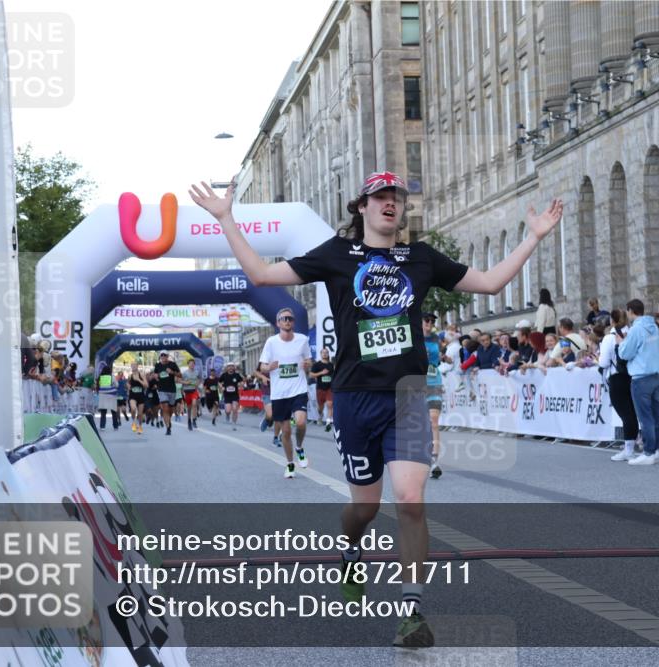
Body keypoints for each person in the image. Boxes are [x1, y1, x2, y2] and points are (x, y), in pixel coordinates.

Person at [190, 171, 562, 648]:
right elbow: (262, 275)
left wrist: (533, 237)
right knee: (363, 509)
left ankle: (411, 613)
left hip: (406, 394)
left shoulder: (420, 258)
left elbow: (489, 283)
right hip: (354, 396)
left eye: (397, 198)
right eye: (380, 196)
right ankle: (350, 549)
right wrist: (226, 219)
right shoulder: (337, 254)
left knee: (409, 499)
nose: (390, 203)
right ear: (361, 206)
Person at [617, 299, 659, 465]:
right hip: (654, 374)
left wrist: (621, 343)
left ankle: (649, 452)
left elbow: (625, 354)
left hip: (640, 377)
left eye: (627, 312)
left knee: (645, 417)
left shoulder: (636, 329)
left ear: (631, 311)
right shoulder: (653, 325)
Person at [260, 308, 312, 477]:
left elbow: (309, 360)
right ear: (278, 323)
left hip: (298, 389)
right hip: (280, 393)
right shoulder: (271, 342)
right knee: (286, 431)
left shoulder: (302, 340)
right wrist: (269, 367)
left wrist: (307, 365)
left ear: (293, 322)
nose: (287, 321)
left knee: (301, 422)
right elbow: (262, 367)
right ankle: (290, 464)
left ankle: (300, 447)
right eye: (284, 318)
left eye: (290, 318)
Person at [598, 308, 638, 461]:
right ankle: (630, 447)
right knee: (631, 413)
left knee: (625, 414)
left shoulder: (610, 337)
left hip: (617, 377)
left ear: (612, 321)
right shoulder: (632, 333)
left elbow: (603, 362)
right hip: (632, 375)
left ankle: (629, 450)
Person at [422, 313, 447, 479]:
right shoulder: (413, 337)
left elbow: (437, 361)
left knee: (434, 421)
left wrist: (442, 358)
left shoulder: (436, 339)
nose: (430, 323)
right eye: (427, 320)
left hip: (434, 381)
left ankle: (434, 461)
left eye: (432, 321)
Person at [153, 351, 181, 435]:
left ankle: (169, 420)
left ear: (167, 356)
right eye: (161, 355)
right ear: (160, 357)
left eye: (164, 355)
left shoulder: (172, 364)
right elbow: (155, 375)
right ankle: (168, 428)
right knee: (165, 408)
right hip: (162, 390)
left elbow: (180, 375)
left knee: (170, 410)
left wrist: (172, 372)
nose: (163, 356)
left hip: (172, 390)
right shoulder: (157, 365)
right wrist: (156, 376)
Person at [310, 349, 335, 431]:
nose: (324, 354)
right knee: (320, 407)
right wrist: (321, 373)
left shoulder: (331, 365)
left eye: (326, 352)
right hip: (320, 388)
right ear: (320, 354)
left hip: (329, 388)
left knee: (330, 404)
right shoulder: (317, 365)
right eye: (323, 353)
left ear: (328, 354)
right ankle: (320, 416)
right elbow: (311, 375)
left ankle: (328, 423)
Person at [218, 362, 245, 430]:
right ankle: (227, 415)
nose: (230, 367)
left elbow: (242, 381)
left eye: (232, 366)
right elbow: (219, 382)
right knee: (228, 410)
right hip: (227, 395)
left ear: (234, 367)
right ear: (227, 368)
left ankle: (234, 424)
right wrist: (221, 387)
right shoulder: (224, 375)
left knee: (235, 409)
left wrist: (241, 384)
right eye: (229, 366)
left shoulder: (237, 375)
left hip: (235, 395)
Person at [96, 365, 121, 431]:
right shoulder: (111, 377)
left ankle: (102, 426)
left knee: (103, 412)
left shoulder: (100, 377)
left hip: (103, 396)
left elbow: (98, 386)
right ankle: (115, 426)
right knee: (113, 412)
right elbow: (117, 385)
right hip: (111, 395)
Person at [127, 362, 148, 435]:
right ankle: (134, 422)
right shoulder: (130, 376)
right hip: (132, 395)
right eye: (132, 366)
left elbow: (146, 385)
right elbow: (128, 383)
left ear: (137, 366)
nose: (133, 367)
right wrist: (128, 386)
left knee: (140, 414)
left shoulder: (141, 375)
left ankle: (140, 426)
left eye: (134, 365)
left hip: (140, 395)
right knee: (133, 409)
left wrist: (138, 379)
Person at [181, 358, 202, 431]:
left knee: (194, 404)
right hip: (187, 391)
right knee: (189, 409)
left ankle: (194, 420)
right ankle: (189, 421)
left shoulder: (197, 372)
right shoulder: (184, 373)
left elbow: (200, 379)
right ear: (188, 364)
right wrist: (185, 383)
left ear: (194, 365)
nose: (192, 365)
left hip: (194, 390)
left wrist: (198, 383)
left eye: (193, 364)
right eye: (190, 364)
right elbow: (179, 380)